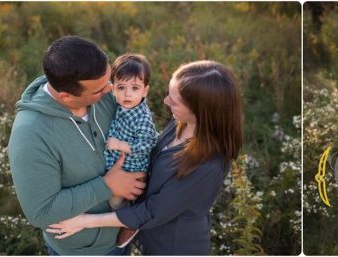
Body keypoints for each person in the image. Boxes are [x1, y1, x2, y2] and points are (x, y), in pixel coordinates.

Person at [46, 60, 243, 255]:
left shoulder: (208, 164)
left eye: (175, 100)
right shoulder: (181, 124)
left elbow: (152, 212)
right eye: (169, 94)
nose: (166, 101)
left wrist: (86, 221)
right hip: (148, 234)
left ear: (201, 112)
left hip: (172, 247)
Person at [8, 35, 147, 255]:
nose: (110, 90)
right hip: (83, 249)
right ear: (66, 97)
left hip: (122, 235)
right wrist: (107, 186)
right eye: (99, 90)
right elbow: (41, 212)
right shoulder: (30, 135)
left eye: (109, 81)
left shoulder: (104, 94)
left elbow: (138, 127)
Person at [105, 53, 158, 211]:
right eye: (121, 87)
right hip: (115, 162)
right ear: (113, 88)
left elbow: (146, 145)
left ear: (145, 91)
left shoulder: (142, 119)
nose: (127, 94)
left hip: (131, 169)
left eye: (135, 88)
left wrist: (120, 144)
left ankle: (127, 217)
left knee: (114, 202)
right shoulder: (122, 106)